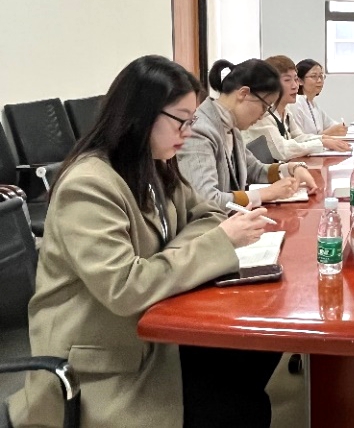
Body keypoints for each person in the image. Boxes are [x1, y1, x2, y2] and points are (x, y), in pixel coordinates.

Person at [6, 55, 270, 428]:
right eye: (181, 120)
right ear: (142, 115)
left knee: (253, 358)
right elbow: (126, 288)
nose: (188, 132)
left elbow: (208, 214)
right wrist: (215, 244)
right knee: (238, 403)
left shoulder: (154, 165)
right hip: (101, 365)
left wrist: (175, 255)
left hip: (148, 332)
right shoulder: (89, 184)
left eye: (192, 121)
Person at [177, 58, 317, 209]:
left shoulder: (231, 126)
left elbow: (254, 170)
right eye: (264, 107)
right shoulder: (199, 131)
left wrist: (291, 169)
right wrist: (264, 194)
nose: (262, 116)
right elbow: (205, 199)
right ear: (243, 93)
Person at [243, 55, 351, 160]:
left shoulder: (286, 112)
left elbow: (299, 137)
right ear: (271, 84)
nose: (295, 86)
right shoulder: (263, 114)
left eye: (295, 80)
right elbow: (282, 151)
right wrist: (321, 142)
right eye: (287, 80)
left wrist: (323, 139)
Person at [288, 59, 347, 136]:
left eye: (321, 76)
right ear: (300, 81)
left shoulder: (313, 104)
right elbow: (298, 139)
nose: (319, 80)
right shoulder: (296, 103)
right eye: (314, 76)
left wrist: (341, 127)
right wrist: (327, 133)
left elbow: (331, 124)